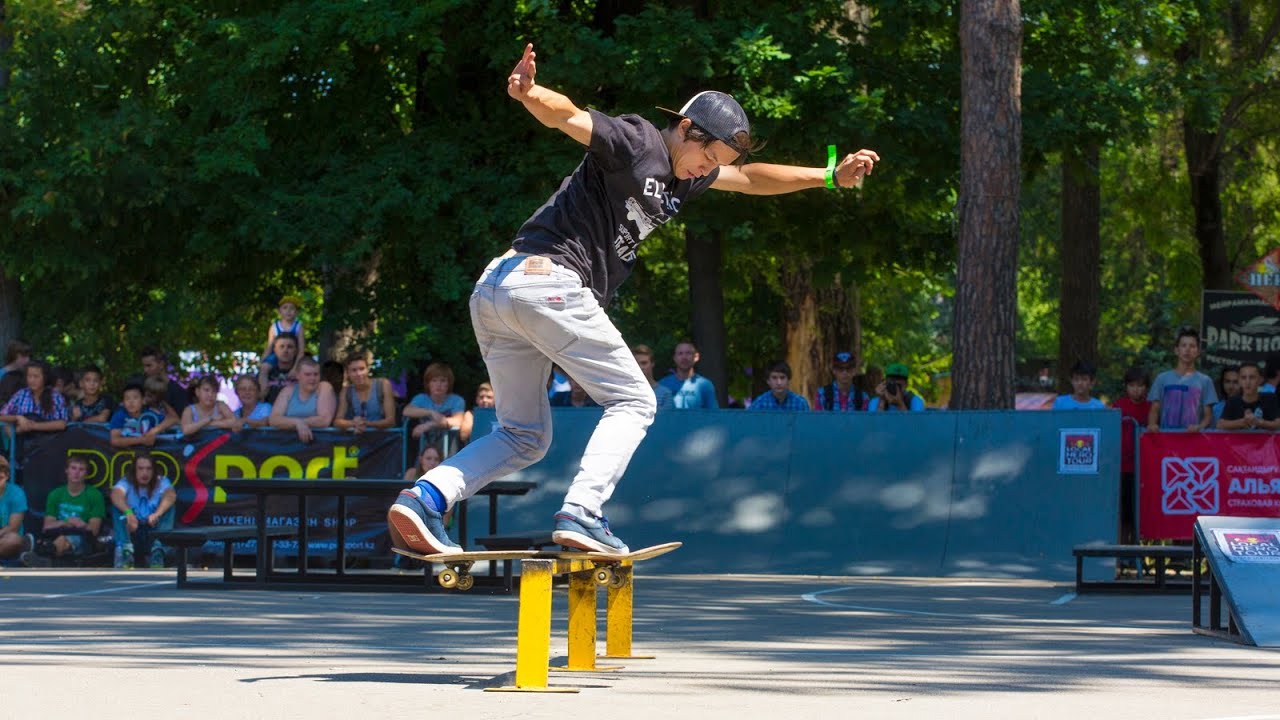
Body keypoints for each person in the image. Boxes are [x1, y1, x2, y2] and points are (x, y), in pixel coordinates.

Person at [387, 42, 879, 556]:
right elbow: (572, 118)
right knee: (635, 399)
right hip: (546, 281)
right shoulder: (638, 140)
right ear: (686, 129)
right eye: (705, 157)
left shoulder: (685, 180)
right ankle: (582, 511)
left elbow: (750, 178)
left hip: (498, 292)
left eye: (715, 165)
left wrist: (826, 177)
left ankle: (426, 498)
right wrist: (530, 94)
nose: (704, 170)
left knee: (524, 434)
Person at [22, 454, 105, 566]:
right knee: (58, 538)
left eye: (81, 469)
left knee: (63, 539)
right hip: (57, 534)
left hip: (83, 539)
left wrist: (83, 525)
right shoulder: (55, 494)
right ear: (67, 470)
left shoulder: (95, 495)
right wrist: (66, 522)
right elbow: (46, 526)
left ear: (86, 474)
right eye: (73, 468)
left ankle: (41, 554)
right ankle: (44, 557)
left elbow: (94, 530)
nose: (76, 473)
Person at [109, 450, 177, 569]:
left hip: (154, 532)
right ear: (134, 470)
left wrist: (157, 514)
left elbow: (171, 495)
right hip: (133, 533)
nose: (144, 473)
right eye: (140, 469)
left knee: (170, 507)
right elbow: (116, 494)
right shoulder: (126, 482)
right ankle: (125, 552)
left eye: (148, 469)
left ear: (153, 470)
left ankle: (158, 553)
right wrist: (129, 513)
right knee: (117, 508)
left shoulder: (162, 481)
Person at [1147, 328, 1217, 432]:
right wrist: (1152, 425)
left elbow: (1208, 416)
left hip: (1193, 441)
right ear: (1176, 350)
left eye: (1192, 346)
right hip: (1166, 440)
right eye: (1183, 345)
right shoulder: (1162, 378)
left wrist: (1199, 427)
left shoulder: (1205, 381)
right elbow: (1154, 410)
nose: (1187, 349)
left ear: (1198, 351)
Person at [1111, 367, 1151, 546]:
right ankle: (1120, 554)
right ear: (1126, 387)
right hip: (1122, 468)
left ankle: (1136, 552)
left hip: (1143, 469)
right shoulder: (1118, 406)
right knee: (1123, 513)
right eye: (1132, 385)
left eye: (1141, 385)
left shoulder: (1152, 407)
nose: (1137, 389)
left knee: (1139, 514)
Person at [268, 357, 336, 443]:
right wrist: (297, 423)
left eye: (316, 374)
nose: (312, 378)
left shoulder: (324, 387)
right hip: (288, 445)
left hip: (319, 445)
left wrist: (299, 423)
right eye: (307, 374)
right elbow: (273, 419)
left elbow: (324, 420)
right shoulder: (288, 391)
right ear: (297, 375)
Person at [404, 362, 470, 446]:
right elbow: (407, 411)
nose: (438, 385)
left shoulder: (457, 400)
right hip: (426, 450)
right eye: (434, 380)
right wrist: (431, 412)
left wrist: (430, 425)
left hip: (450, 449)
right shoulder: (421, 398)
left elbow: (458, 421)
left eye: (443, 381)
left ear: (449, 384)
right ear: (428, 384)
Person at [333, 350, 398, 434]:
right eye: (354, 370)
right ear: (347, 373)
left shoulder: (383, 384)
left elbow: (390, 421)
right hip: (358, 440)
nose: (359, 374)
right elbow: (337, 421)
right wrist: (353, 423)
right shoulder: (346, 391)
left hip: (385, 440)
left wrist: (366, 424)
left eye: (362, 369)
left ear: (368, 369)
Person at [0, 360, 70, 434]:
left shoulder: (55, 396)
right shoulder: (21, 394)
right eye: (29, 376)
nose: (32, 380)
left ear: (45, 378)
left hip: (49, 442)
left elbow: (62, 424)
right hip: (24, 442)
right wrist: (18, 418)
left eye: (36, 376)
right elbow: (2, 416)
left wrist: (33, 426)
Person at [1217, 362, 1280, 431]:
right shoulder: (1233, 401)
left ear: (1260, 380)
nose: (1247, 382)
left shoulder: (1270, 398)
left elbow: (1278, 424)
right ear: (1239, 381)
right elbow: (1220, 425)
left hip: (1266, 441)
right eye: (1243, 378)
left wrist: (1259, 422)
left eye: (1252, 377)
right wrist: (1242, 422)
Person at [659, 341, 719, 409]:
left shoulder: (705, 385)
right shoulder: (663, 384)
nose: (684, 357)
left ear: (696, 357)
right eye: (680, 353)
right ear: (674, 358)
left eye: (688, 353)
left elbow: (713, 415)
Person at [131, 346, 188, 413]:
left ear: (161, 364)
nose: (145, 370)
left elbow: (182, 420)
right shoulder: (140, 386)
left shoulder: (177, 391)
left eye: (149, 365)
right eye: (144, 366)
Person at [258, 332, 301, 404]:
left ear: (296, 350)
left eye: (290, 347)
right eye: (281, 346)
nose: (285, 350)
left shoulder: (303, 373)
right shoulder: (265, 372)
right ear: (275, 350)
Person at [263, 294, 306, 364]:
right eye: (285, 308)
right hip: (277, 357)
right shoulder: (274, 327)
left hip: (293, 357)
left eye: (292, 308)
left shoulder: (299, 327)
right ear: (279, 311)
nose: (288, 311)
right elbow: (269, 347)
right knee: (265, 367)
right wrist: (263, 360)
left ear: (297, 312)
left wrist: (295, 367)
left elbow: (301, 349)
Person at [0, 456, 28, 561]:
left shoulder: (17, 493)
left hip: (6, 538)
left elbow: (13, 527)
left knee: (14, 540)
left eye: (1, 471)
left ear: (7, 476)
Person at [632, 345, 674, 411]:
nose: (640, 367)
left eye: (644, 363)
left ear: (652, 364)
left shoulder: (665, 394)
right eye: (636, 364)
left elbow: (668, 420)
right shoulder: (626, 392)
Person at [0, 339, 32, 406]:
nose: (28, 360)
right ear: (14, 355)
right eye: (24, 356)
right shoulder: (2, 374)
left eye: (29, 356)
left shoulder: (28, 375)